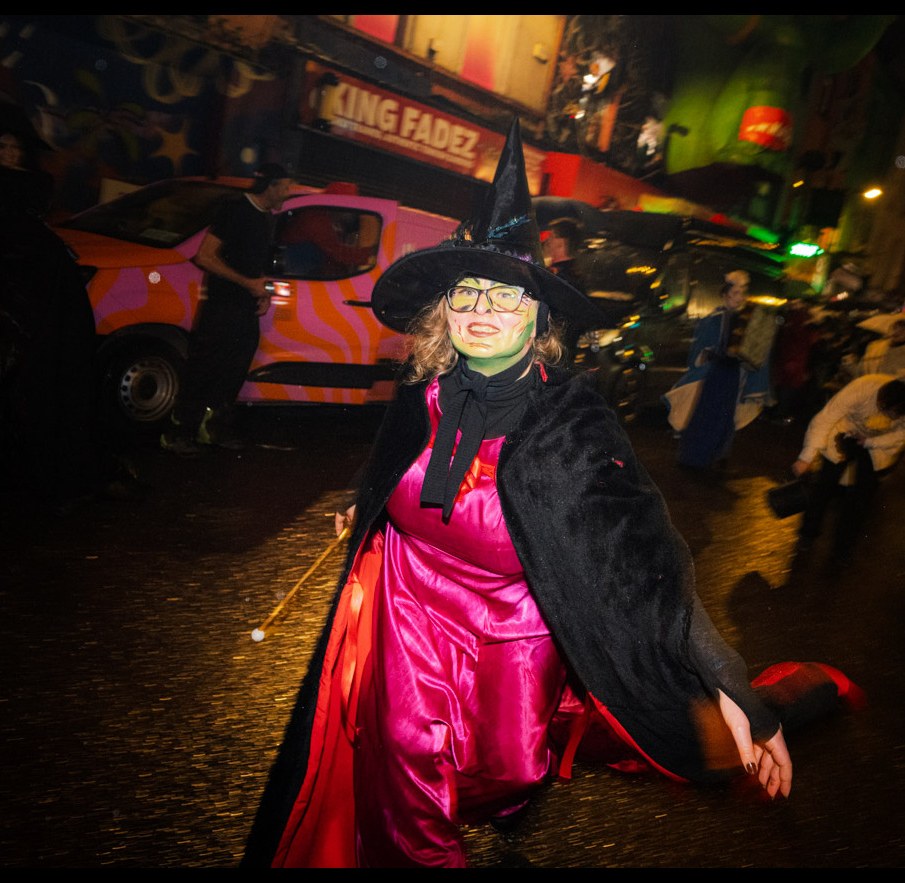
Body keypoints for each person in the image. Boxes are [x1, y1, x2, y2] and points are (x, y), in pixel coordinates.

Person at [243, 123, 807, 869]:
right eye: (468, 291)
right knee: (409, 767)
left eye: (506, 295)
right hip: (410, 607)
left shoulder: (572, 424)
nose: (482, 306)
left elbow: (648, 569)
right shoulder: (422, 393)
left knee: (512, 771)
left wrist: (732, 686)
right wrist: (365, 500)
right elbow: (386, 462)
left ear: (540, 319)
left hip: (523, 619)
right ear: (445, 309)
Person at [161, 162, 292, 455]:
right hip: (221, 310)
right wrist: (247, 284)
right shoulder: (235, 209)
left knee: (232, 373)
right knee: (204, 370)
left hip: (245, 312)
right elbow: (205, 257)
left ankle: (212, 431)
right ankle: (177, 433)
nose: (287, 192)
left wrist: (264, 292)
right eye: (284, 187)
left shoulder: (266, 219)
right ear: (270, 186)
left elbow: (256, 269)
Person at [792, 375, 905, 564]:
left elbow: (904, 433)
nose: (893, 418)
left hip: (876, 444)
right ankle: (808, 533)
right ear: (881, 402)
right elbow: (826, 419)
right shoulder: (861, 389)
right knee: (825, 484)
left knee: (861, 496)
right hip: (844, 430)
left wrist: (871, 442)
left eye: (897, 416)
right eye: (891, 413)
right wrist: (806, 457)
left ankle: (843, 548)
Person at [673, 269, 753, 470]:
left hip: (733, 374)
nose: (739, 298)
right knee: (707, 414)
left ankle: (718, 456)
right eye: (735, 293)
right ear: (725, 294)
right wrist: (709, 354)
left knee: (726, 416)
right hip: (716, 373)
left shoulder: (746, 320)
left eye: (741, 293)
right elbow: (701, 349)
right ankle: (695, 458)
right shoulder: (714, 318)